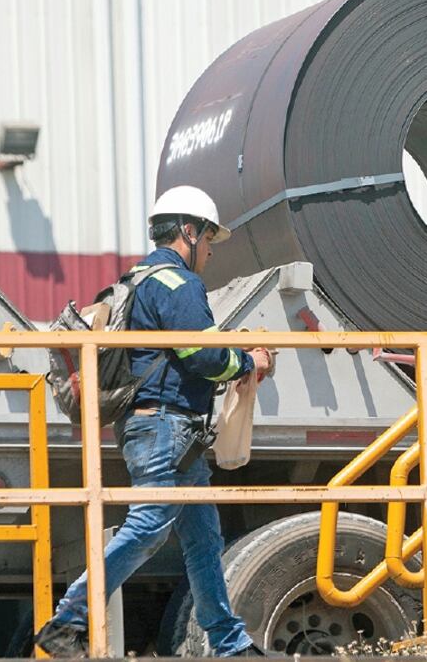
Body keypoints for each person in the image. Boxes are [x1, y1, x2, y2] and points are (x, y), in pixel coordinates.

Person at [36, 186, 274, 657]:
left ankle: (230, 644)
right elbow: (205, 356)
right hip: (167, 427)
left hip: (168, 430)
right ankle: (67, 621)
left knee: (204, 539)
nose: (210, 250)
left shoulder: (138, 278)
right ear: (189, 230)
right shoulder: (179, 284)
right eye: (209, 238)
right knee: (148, 526)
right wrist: (249, 361)